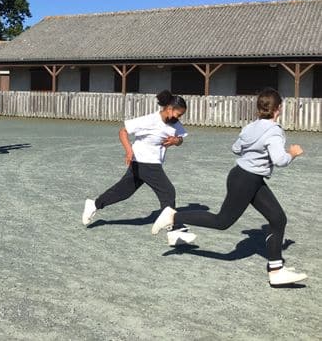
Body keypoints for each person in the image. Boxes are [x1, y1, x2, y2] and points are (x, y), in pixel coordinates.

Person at [152, 88, 307, 286]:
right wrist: (293, 153)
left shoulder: (250, 127)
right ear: (279, 108)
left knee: (277, 218)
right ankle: (173, 216)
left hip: (243, 176)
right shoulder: (274, 131)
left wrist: (254, 151)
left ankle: (276, 270)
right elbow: (280, 160)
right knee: (222, 221)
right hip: (247, 180)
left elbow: (236, 148)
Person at [82, 89, 196, 246]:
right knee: (168, 192)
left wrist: (176, 141)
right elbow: (123, 132)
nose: (179, 118)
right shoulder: (149, 120)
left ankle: (94, 204)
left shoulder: (174, 123)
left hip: (146, 163)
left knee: (123, 192)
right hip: (145, 162)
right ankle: (174, 230)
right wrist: (129, 150)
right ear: (169, 109)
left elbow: (180, 139)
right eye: (179, 114)